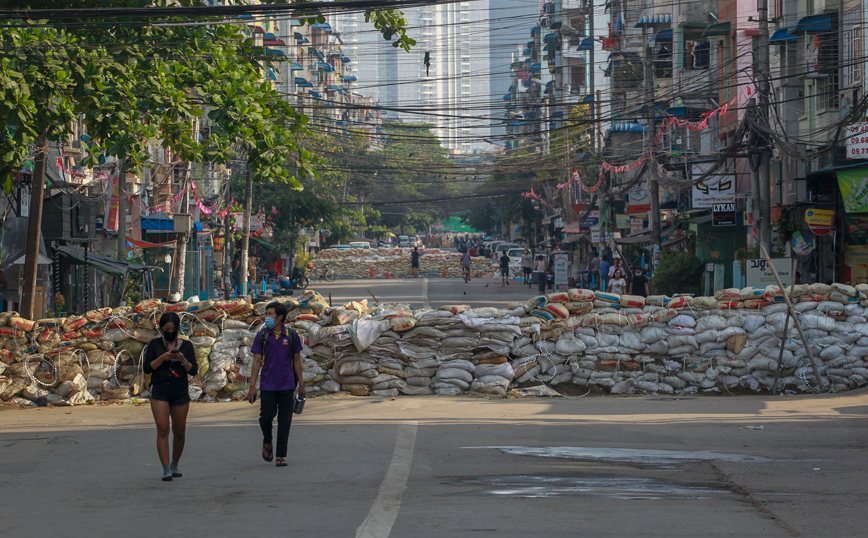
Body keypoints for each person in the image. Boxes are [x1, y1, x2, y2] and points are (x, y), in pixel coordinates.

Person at [247, 302, 305, 467]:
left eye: (271, 314)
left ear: (280, 317)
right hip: (267, 385)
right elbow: (257, 361)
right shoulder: (263, 336)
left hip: (287, 385)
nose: (268, 317)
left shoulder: (291, 336)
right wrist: (252, 386)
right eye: (267, 314)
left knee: (285, 421)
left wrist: (301, 385)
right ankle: (267, 440)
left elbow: (297, 361)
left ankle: (280, 455)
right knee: (266, 417)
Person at [143, 312, 197, 481]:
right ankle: (166, 468)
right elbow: (147, 368)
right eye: (166, 329)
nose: (170, 332)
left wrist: (182, 360)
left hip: (180, 392)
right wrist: (163, 357)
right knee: (163, 428)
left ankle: (175, 464)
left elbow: (193, 370)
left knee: (179, 431)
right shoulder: (155, 345)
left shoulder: (187, 346)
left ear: (177, 329)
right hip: (160, 390)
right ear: (161, 329)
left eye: (173, 329)